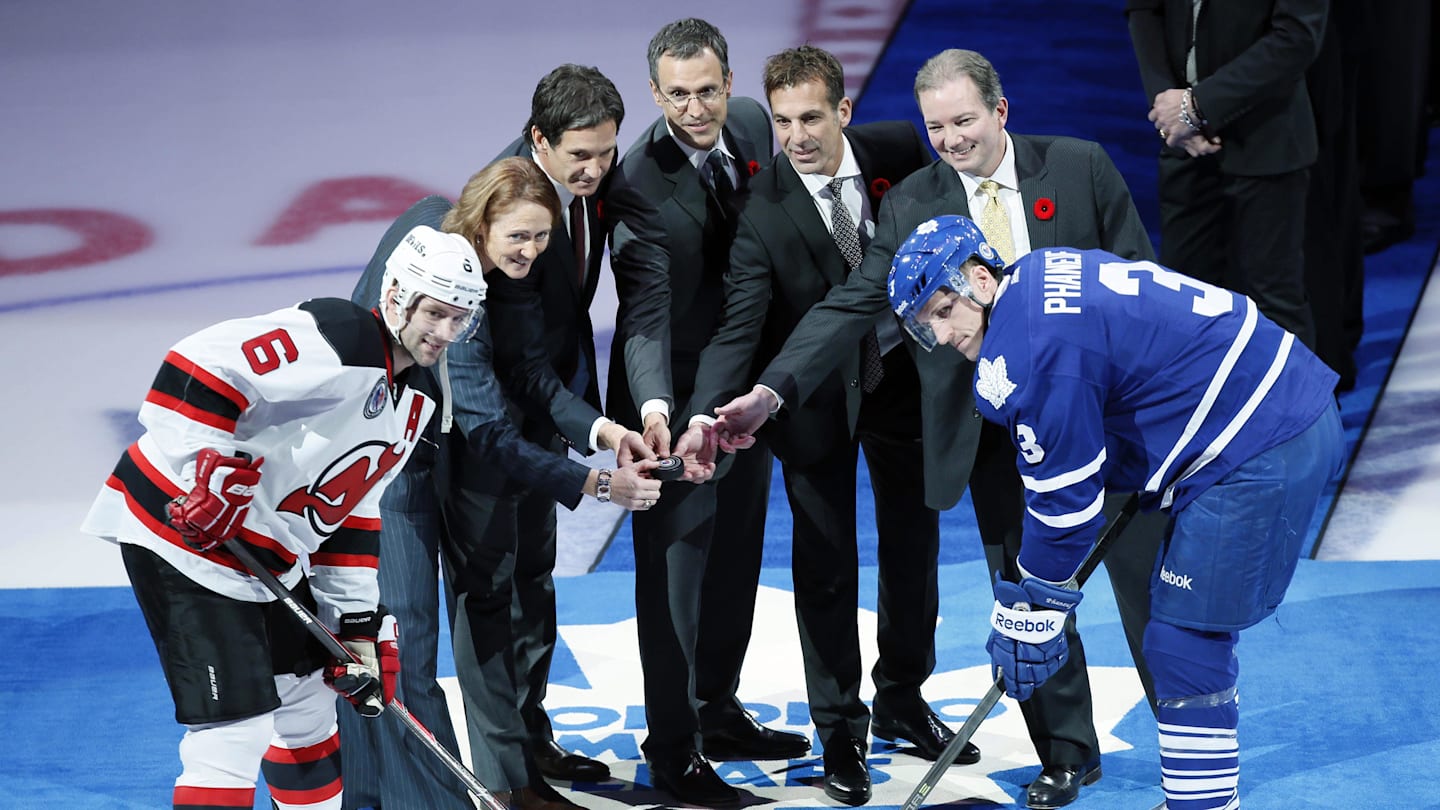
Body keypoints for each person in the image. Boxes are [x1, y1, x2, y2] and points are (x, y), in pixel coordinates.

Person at [712, 48, 1163, 809]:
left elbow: (1140, 283)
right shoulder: (914, 201)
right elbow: (854, 303)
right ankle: (1065, 752)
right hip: (996, 433)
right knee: (1027, 594)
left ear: (1000, 112)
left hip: (1110, 423)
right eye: (936, 127)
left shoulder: (1080, 169)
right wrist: (769, 391)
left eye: (963, 121)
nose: (950, 139)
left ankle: (1192, 749)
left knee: (1147, 592)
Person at [886, 214, 1343, 810]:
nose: (942, 337)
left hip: (1261, 439)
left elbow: (1066, 505)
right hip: (1269, 408)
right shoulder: (1032, 276)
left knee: (1184, 638)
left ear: (978, 279)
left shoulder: (1034, 349)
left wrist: (1035, 607)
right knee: (1178, 631)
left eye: (944, 312)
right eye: (927, 327)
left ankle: (1203, 806)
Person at [80, 225, 486, 810]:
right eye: (436, 314)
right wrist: (210, 471)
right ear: (397, 295)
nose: (445, 333)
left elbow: (351, 512)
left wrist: (355, 621)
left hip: (267, 552)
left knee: (306, 707)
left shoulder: (418, 399)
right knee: (235, 731)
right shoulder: (339, 336)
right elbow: (194, 367)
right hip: (181, 537)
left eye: (460, 320)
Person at [338, 158, 665, 810]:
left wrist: (604, 432)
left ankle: (478, 787)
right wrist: (599, 488)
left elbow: (532, 375)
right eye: (518, 237)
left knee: (447, 621)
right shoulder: (457, 301)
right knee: (398, 640)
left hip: (438, 442)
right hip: (380, 459)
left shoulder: (505, 271)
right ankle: (406, 797)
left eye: (542, 238)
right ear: (483, 223)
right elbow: (487, 427)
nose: (532, 251)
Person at [682, 44, 948, 806]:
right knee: (826, 565)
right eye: (781, 120)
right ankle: (840, 734)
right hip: (810, 397)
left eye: (810, 117)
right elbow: (739, 326)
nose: (795, 136)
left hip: (899, 381)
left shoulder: (898, 150)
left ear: (844, 111)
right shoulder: (760, 210)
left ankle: (903, 694)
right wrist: (711, 405)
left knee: (914, 546)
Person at [463, 63, 684, 803]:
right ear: (539, 142)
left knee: (533, 580)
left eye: (606, 152)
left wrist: (604, 422)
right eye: (579, 155)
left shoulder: (594, 187)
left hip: (548, 405)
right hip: (488, 422)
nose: (594, 169)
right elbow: (513, 364)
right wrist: (592, 440)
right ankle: (506, 772)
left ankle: (531, 736)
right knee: (495, 589)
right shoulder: (506, 204)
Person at [603, 18, 802, 807]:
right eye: (677, 95)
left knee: (734, 561)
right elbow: (643, 312)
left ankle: (717, 711)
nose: (695, 109)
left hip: (742, 396)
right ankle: (673, 749)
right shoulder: (636, 182)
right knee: (674, 582)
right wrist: (659, 408)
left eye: (708, 90)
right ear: (655, 94)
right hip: (673, 402)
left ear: (729, 82)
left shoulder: (751, 124)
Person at [1127, 0, 1328, 349]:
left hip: (1267, 139)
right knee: (1183, 302)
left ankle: (1295, 405)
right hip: (1184, 143)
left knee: (1274, 304)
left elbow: (1297, 37)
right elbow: (1144, 10)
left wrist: (1198, 105)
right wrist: (1167, 108)